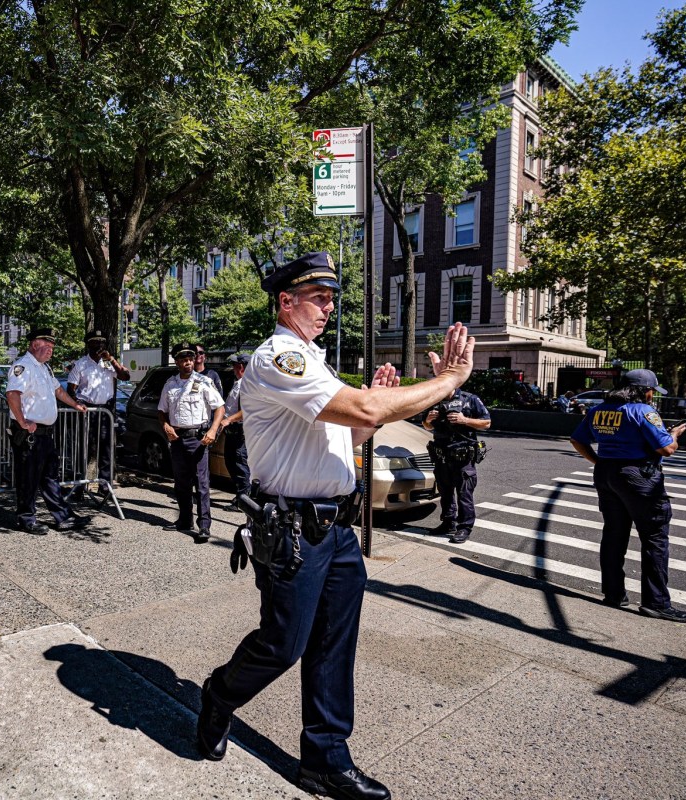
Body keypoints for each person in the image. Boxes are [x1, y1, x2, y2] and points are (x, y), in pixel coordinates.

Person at [198, 251, 476, 800]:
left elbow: (349, 438)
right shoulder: (279, 357)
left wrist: (373, 406)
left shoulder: (314, 361)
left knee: (333, 646)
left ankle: (326, 760)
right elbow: (365, 412)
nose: (328, 307)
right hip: (294, 531)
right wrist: (445, 382)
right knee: (282, 645)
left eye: (330, 298)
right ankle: (218, 695)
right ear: (286, 301)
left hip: (337, 528)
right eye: (318, 297)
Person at [569, 369, 686, 622]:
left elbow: (577, 440)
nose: (652, 396)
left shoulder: (598, 410)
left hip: (606, 473)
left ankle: (614, 594)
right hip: (639, 477)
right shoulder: (643, 411)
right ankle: (656, 603)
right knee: (655, 538)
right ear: (642, 390)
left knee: (614, 534)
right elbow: (666, 448)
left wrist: (599, 461)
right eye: (651, 391)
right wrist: (675, 436)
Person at [6, 328, 89, 535]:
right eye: (47, 345)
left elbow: (58, 390)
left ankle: (63, 517)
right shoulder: (23, 366)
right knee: (28, 478)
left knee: (50, 477)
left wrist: (75, 405)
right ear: (35, 344)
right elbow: (12, 394)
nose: (51, 350)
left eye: (52, 346)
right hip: (29, 434)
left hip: (45, 433)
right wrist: (23, 421)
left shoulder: (44, 368)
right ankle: (26, 518)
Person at [158, 342, 225, 543]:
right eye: (183, 359)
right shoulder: (170, 384)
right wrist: (166, 426)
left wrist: (213, 430)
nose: (188, 362)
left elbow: (219, 407)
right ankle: (185, 520)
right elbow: (162, 410)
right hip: (178, 439)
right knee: (181, 483)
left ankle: (204, 525)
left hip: (198, 439)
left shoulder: (204, 382)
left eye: (190, 359)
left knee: (202, 484)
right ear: (177, 361)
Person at [422, 386, 491, 543]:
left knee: (464, 494)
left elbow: (487, 423)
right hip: (441, 457)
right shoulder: (434, 401)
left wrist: (464, 420)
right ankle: (448, 523)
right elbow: (427, 426)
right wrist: (428, 421)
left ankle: (464, 527)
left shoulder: (469, 399)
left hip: (463, 458)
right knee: (445, 493)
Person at [66, 329, 131, 496]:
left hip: (105, 410)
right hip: (87, 410)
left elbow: (125, 376)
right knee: (84, 448)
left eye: (102, 342)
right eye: (95, 342)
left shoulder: (108, 363)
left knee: (106, 449)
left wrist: (112, 360)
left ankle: (104, 485)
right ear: (88, 345)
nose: (99, 346)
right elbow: (71, 389)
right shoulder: (80, 364)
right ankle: (79, 485)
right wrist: (77, 403)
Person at [220, 353, 250, 507]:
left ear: (241, 367)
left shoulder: (247, 384)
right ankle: (241, 497)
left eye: (235, 366)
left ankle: (244, 501)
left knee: (240, 465)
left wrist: (228, 419)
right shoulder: (238, 382)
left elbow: (247, 410)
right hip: (232, 429)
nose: (233, 368)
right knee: (231, 462)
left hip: (240, 430)